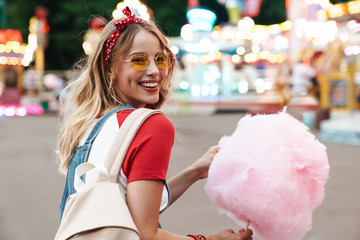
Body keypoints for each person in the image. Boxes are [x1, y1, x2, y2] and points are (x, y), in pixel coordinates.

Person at [57, 6, 253, 240]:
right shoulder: (151, 125)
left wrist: (195, 171)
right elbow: (146, 233)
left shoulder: (88, 125)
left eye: (161, 59)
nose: (154, 71)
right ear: (109, 68)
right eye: (139, 60)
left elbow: (124, 206)